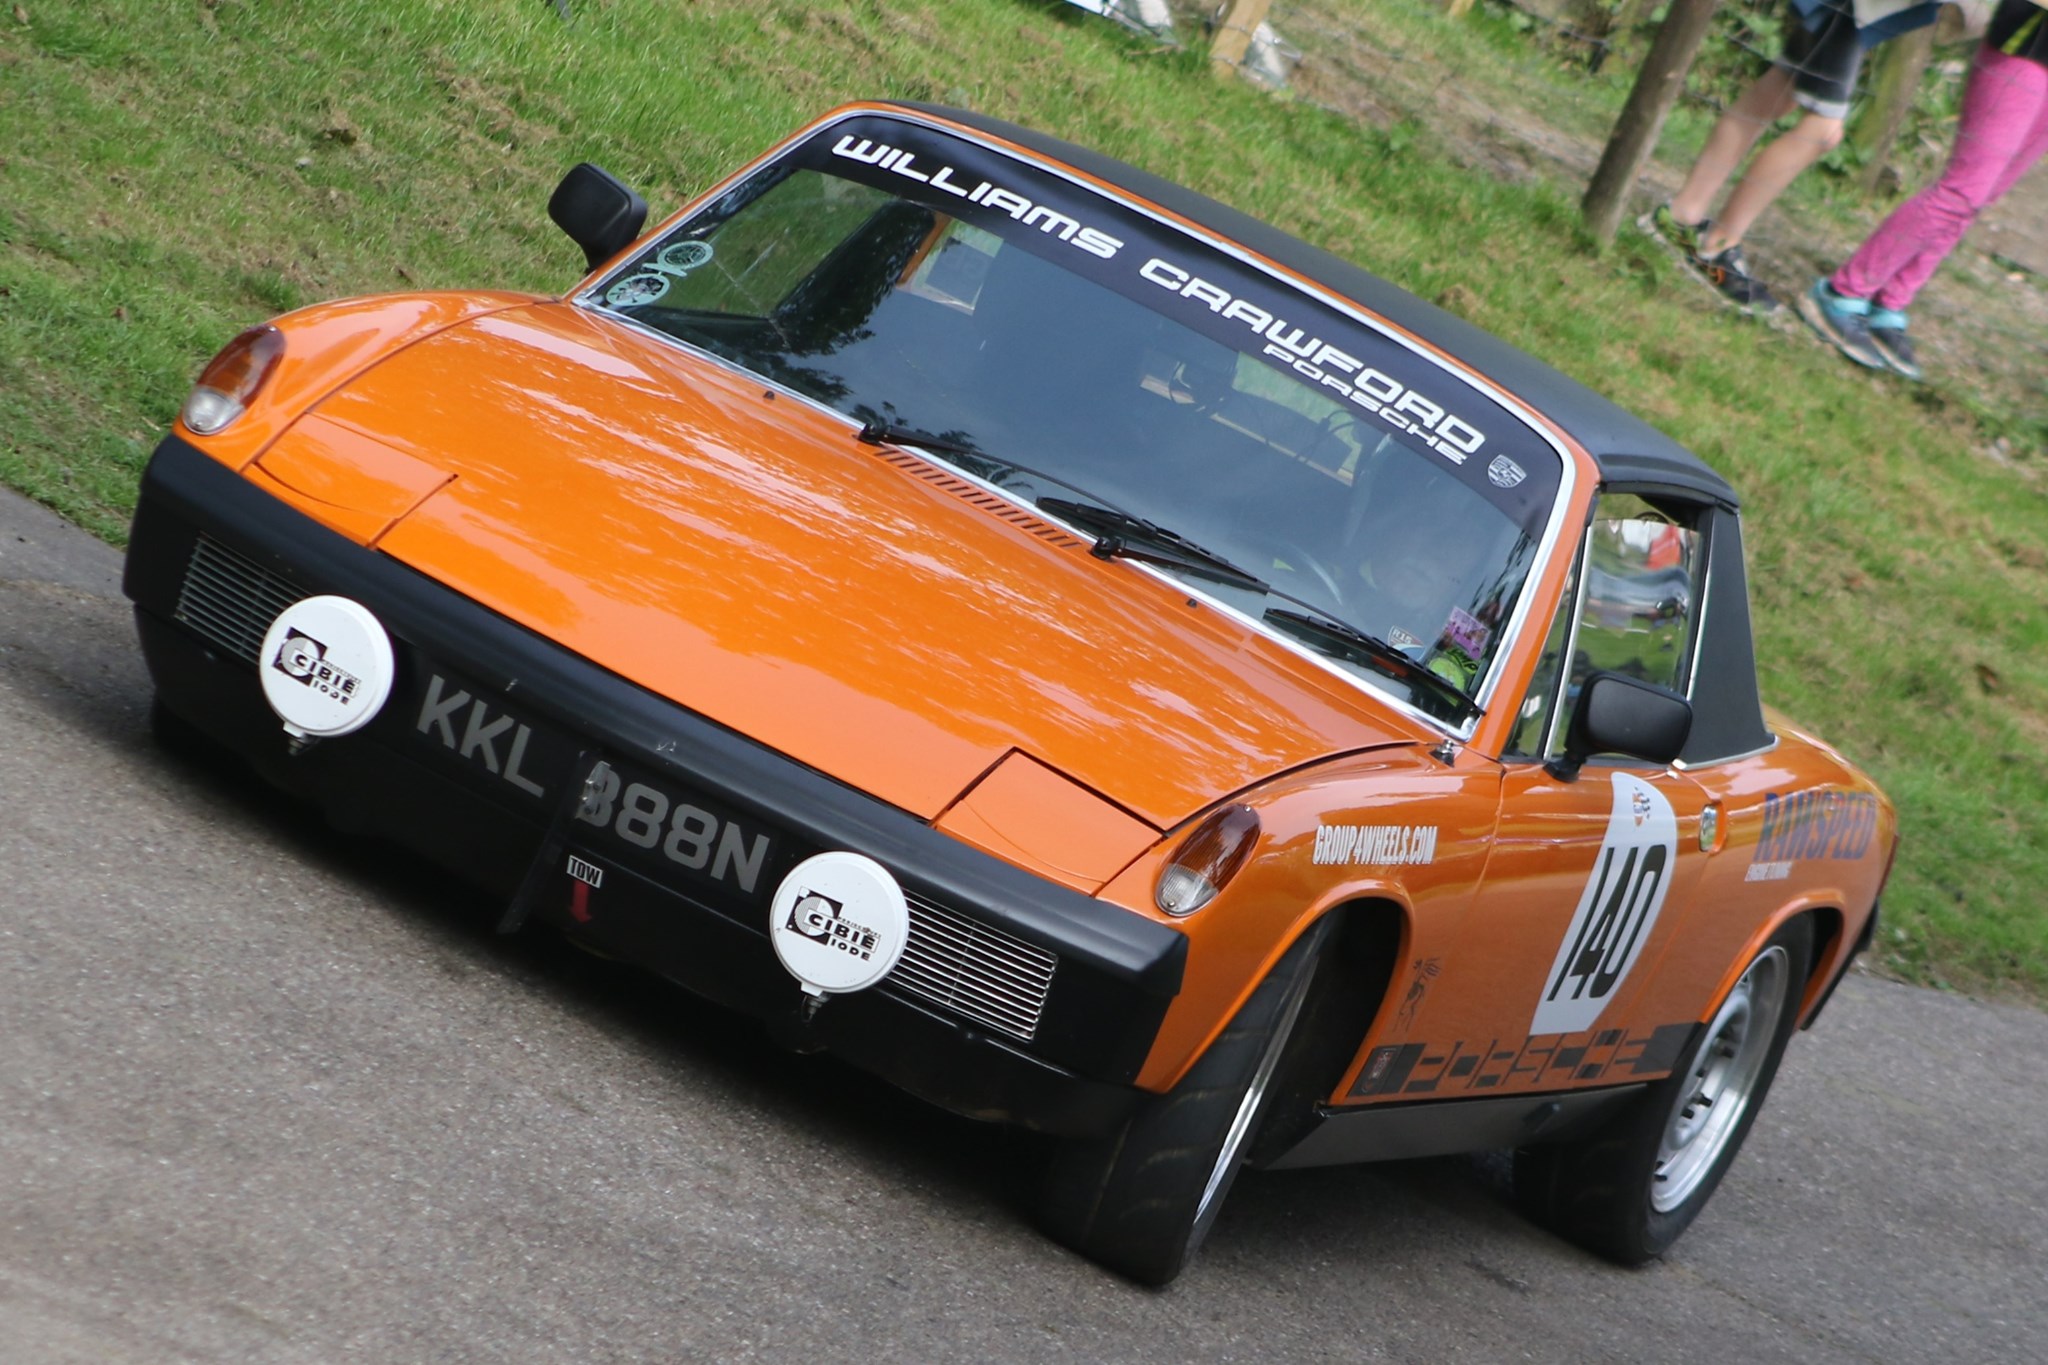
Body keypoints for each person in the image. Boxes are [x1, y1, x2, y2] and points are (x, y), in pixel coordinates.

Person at [1643, 0, 1943, 314]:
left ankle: (1681, 216)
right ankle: (1716, 246)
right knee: (1823, 129)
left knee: (1779, 88)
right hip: (1856, 8)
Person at [1800, 0, 2048, 378]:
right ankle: (1843, 292)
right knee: (1963, 191)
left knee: (1982, 197)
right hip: (2025, 44)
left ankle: (1890, 300)